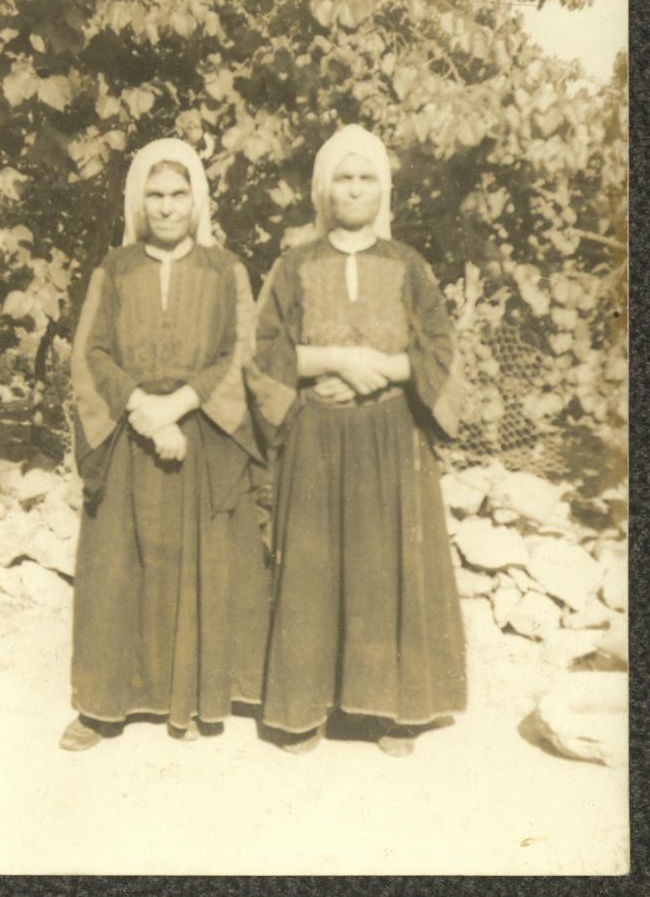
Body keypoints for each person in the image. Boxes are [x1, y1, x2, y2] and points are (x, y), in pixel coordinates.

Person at [246, 124, 467, 756]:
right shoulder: (295, 265)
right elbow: (266, 353)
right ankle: (303, 708)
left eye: (367, 177)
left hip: (390, 438)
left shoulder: (408, 266)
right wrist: (337, 359)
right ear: (322, 190)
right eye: (343, 177)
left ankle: (390, 708)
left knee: (385, 565)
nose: (354, 189)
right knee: (313, 567)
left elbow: (441, 350)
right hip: (315, 436)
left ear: (383, 189)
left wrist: (382, 370)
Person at [60, 138, 269, 751]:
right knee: (116, 569)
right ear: (137, 200)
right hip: (128, 435)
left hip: (204, 434)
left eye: (179, 194)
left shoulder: (226, 270)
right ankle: (104, 706)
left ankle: (205, 695)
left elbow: (243, 351)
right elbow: (89, 351)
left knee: (208, 563)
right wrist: (141, 409)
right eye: (154, 194)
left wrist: (179, 405)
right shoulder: (114, 269)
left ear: (197, 201)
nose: (167, 206)